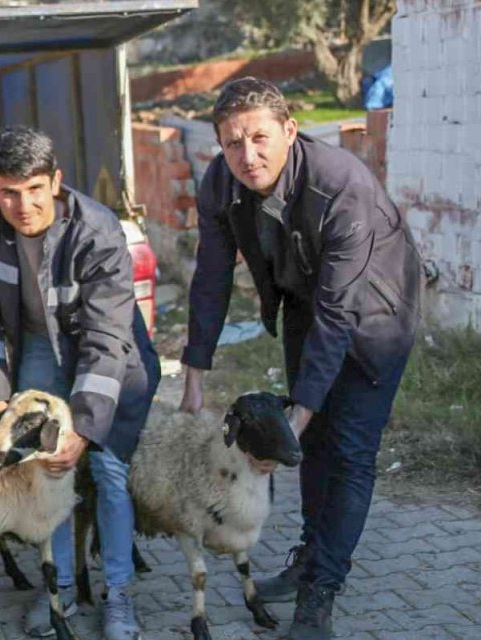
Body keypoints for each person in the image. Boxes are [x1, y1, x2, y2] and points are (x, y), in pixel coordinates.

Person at [181, 77, 422, 640]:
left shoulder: (342, 185)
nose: (248, 155)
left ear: (290, 130)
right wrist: (194, 373)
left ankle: (322, 593)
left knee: (351, 451)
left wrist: (300, 410)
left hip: (375, 315)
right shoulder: (220, 181)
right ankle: (311, 557)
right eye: (233, 143)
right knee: (309, 447)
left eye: (260, 138)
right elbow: (212, 276)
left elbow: (341, 314)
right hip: (306, 305)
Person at [0, 126, 160, 640]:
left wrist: (85, 429)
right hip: (35, 347)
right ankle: (61, 589)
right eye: (9, 191)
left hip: (105, 355)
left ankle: (118, 595)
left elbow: (108, 336)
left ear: (56, 182)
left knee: (107, 471)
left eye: (34, 189)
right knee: (45, 471)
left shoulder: (97, 229)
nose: (22, 204)